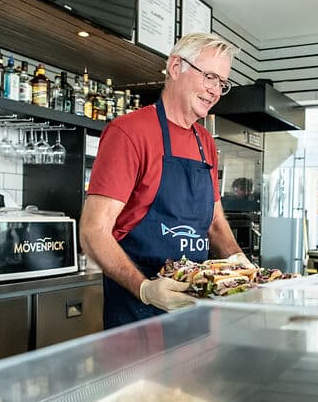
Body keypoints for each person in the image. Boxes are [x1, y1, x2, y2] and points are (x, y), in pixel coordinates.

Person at [80, 33, 252, 329]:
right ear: (175, 67)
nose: (215, 91)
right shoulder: (129, 132)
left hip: (193, 313)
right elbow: (93, 231)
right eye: (209, 77)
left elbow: (214, 223)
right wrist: (146, 289)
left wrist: (239, 262)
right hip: (137, 315)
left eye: (222, 83)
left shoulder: (205, 142)